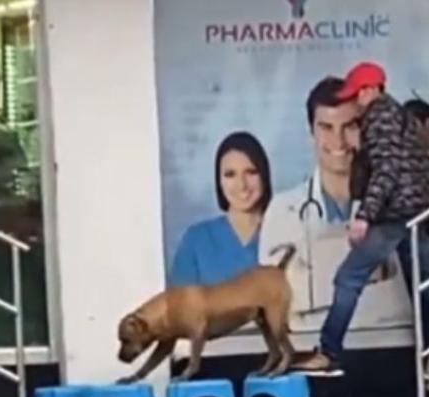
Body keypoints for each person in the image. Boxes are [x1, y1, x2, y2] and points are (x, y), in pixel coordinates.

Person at [293, 62, 429, 375]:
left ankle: (328, 353)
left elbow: (386, 170)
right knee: (421, 284)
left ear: (369, 90)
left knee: (348, 279)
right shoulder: (398, 115)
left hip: (394, 216)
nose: (353, 103)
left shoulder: (380, 115)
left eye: (355, 95)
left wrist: (364, 217)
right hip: (415, 215)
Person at [259, 77, 405, 333]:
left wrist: (313, 290)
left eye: (349, 126)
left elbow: (402, 304)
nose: (338, 141)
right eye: (326, 127)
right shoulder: (282, 212)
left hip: (390, 350)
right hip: (307, 352)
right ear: (311, 133)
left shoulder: (401, 203)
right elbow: (278, 308)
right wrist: (376, 285)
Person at [170, 132, 273, 287]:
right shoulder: (196, 240)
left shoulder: (284, 232)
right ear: (219, 182)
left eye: (251, 172)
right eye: (230, 174)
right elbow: (180, 306)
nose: (242, 185)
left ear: (264, 176)